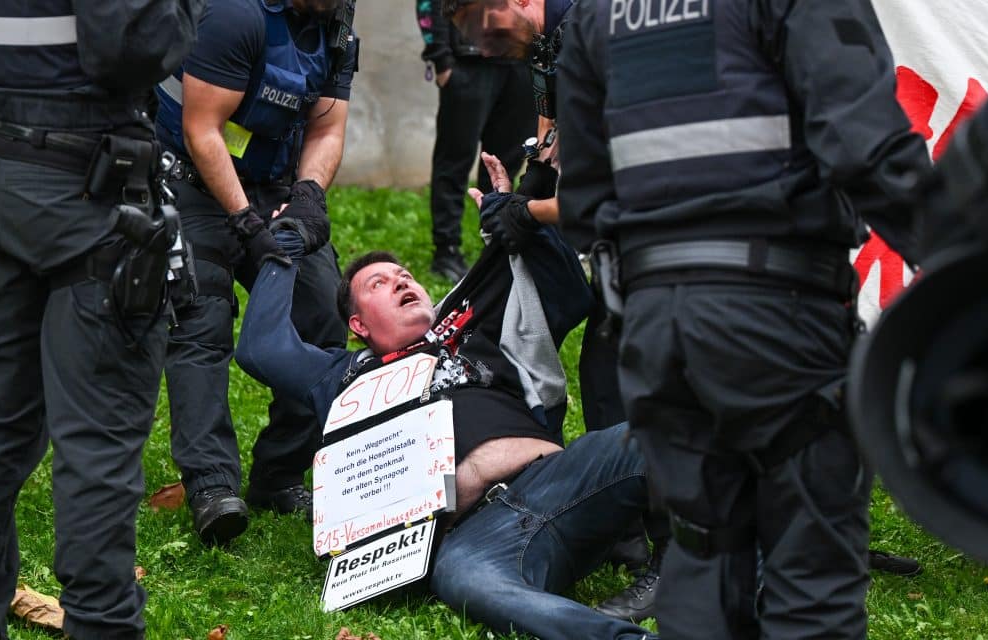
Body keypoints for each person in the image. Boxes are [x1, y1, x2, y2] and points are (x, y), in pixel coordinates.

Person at [557, 0, 931, 637]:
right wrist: (980, 274)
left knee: (702, 562)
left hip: (657, 335)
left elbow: (587, 198)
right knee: (811, 576)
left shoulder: (596, 11)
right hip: (777, 318)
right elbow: (868, 150)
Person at [233, 156, 656, 640]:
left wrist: (520, 216)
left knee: (670, 437)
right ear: (358, 326)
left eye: (405, 275)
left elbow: (566, 292)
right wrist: (283, 248)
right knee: (468, 583)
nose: (401, 281)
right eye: (379, 283)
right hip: (474, 537)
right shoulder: (340, 377)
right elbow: (261, 348)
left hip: (563, 482)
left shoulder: (467, 325)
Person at [0, 1, 203, 637]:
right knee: (97, 440)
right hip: (85, 193)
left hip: (0, 178)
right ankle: (102, 625)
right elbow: (132, 46)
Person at [443, 0, 668, 620]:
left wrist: (531, 213)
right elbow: (552, 139)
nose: (484, 51)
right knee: (604, 373)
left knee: (639, 381)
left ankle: (678, 559)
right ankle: (627, 525)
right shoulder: (546, 43)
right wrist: (520, 192)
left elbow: (614, 186)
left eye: (483, 32)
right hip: (631, 242)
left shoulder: (595, 31)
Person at [152, 0, 358, 544]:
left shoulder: (335, 25)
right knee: (202, 317)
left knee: (321, 309)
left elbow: (328, 127)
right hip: (192, 180)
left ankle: (281, 474)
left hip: (275, 188)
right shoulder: (233, 16)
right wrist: (244, 220)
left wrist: (309, 196)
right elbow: (202, 128)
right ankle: (211, 485)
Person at [416, 0, 535, 283]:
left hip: (521, 64)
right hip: (468, 63)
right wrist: (441, 59)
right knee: (454, 161)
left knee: (505, 165)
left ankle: (496, 242)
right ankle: (446, 250)